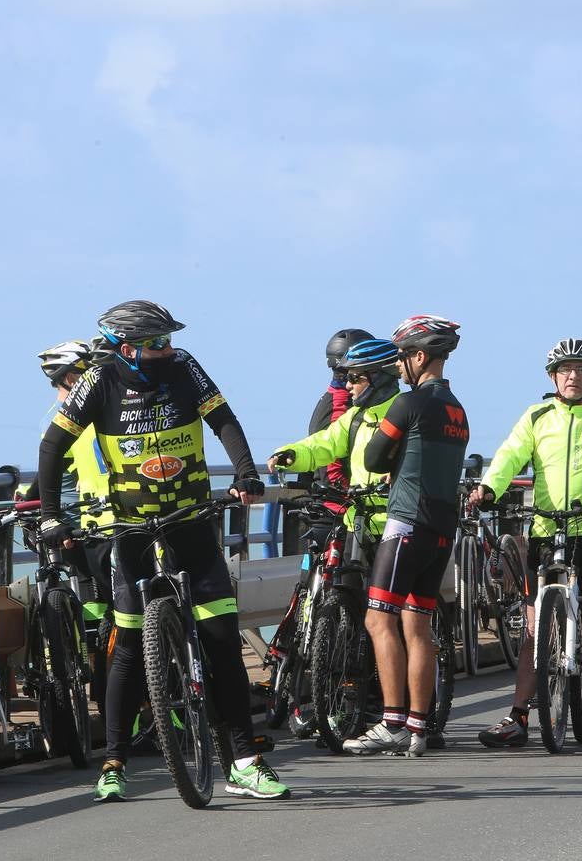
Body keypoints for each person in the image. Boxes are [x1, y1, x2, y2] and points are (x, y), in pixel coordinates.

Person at [35, 300, 289, 802]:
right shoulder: (100, 380)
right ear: (128, 349)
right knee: (128, 646)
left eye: (169, 339)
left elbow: (223, 419)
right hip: (130, 529)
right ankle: (113, 763)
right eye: (158, 342)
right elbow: (51, 448)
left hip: (191, 523)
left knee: (221, 638)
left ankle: (243, 760)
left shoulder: (184, 366)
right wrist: (49, 514)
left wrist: (245, 473)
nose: (168, 348)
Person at [469, 338, 582, 750]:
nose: (573, 376)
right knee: (536, 633)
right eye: (565, 370)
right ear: (553, 377)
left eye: (581, 369)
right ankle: (517, 716)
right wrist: (488, 487)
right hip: (545, 530)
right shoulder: (536, 416)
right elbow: (508, 457)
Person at [342, 315, 468, 757]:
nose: (397, 367)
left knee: (379, 619)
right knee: (418, 625)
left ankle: (391, 721)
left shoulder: (408, 404)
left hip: (405, 523)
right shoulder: (457, 408)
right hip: (442, 528)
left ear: (419, 357)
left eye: (401, 357)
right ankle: (417, 726)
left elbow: (376, 458)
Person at [268, 338, 402, 537]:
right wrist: (291, 454)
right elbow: (324, 443)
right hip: (356, 523)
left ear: (379, 378)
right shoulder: (355, 417)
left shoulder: (406, 413)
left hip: (395, 526)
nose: (348, 385)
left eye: (355, 378)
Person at [31, 340, 115, 630]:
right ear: (70, 378)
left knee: (102, 599)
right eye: (90, 369)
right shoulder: (65, 419)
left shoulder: (57, 417)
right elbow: (48, 471)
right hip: (77, 521)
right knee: (100, 599)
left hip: (94, 517)